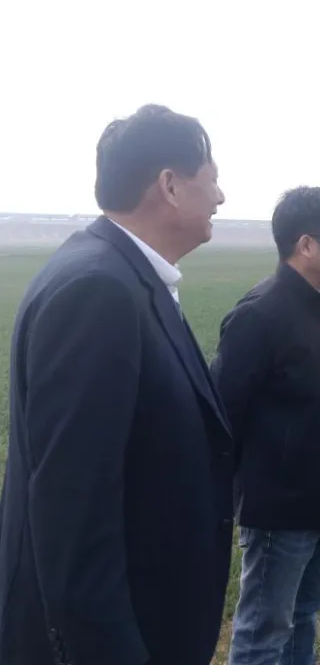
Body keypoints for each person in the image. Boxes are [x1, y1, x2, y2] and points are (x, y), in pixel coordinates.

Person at [0, 104, 232, 665]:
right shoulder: (97, 292)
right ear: (170, 185)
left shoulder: (122, 275)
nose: (221, 197)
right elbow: (73, 519)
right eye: (212, 179)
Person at [210, 186, 320, 665]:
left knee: (302, 617)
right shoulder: (259, 315)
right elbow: (222, 416)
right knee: (263, 634)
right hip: (281, 514)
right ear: (306, 245)